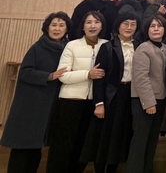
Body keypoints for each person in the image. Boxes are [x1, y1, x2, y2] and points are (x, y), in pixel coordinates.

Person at [1, 12, 71, 173]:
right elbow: (25, 72)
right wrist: (49, 76)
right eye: (53, 25)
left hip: (49, 105)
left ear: (67, 29)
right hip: (30, 104)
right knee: (22, 146)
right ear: (47, 28)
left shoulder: (68, 49)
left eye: (61, 25)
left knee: (35, 148)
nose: (57, 29)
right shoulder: (37, 47)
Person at [46, 11, 108, 173]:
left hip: (93, 104)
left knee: (83, 147)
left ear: (102, 26)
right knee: (61, 147)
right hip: (70, 102)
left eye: (96, 22)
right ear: (82, 26)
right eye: (88, 22)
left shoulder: (107, 45)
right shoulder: (72, 45)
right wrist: (88, 74)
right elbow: (63, 75)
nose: (92, 25)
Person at [80, 12, 139, 173]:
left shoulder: (139, 46)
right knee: (103, 138)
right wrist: (99, 103)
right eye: (125, 23)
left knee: (120, 137)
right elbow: (99, 77)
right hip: (111, 96)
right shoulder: (107, 46)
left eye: (133, 24)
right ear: (118, 25)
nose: (129, 27)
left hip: (130, 96)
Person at [127, 15, 166, 173]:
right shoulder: (143, 48)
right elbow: (141, 78)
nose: (156, 29)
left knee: (151, 142)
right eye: (152, 26)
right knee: (140, 142)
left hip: (160, 100)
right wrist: (149, 103)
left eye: (159, 26)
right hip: (144, 101)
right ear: (147, 30)